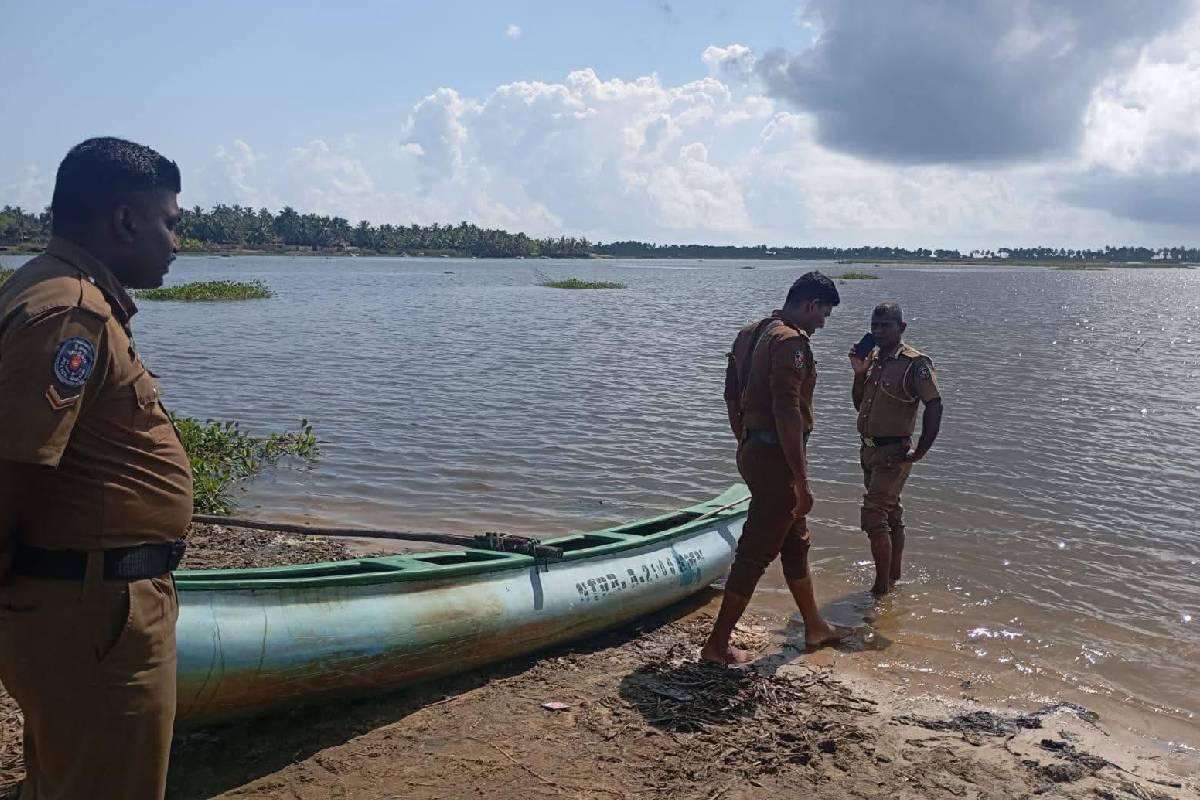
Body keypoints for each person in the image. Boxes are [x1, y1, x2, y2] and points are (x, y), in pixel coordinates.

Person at [0, 137, 191, 799]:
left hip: (83, 606)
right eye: (169, 221)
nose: (176, 240)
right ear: (123, 220)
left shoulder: (52, 286)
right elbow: (15, 468)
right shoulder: (70, 311)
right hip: (95, 614)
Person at [702, 271, 852, 664]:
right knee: (755, 551)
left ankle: (815, 627)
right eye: (824, 315)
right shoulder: (790, 342)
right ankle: (716, 645)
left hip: (756, 449)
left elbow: (729, 393)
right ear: (810, 305)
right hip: (776, 459)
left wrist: (744, 440)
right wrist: (801, 480)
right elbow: (787, 410)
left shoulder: (750, 333)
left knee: (794, 540)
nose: (823, 324)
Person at [848, 302, 943, 596]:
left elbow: (934, 404)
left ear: (901, 328)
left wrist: (922, 449)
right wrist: (859, 373)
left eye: (885, 325)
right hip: (869, 450)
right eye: (874, 325)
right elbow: (859, 404)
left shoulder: (916, 363)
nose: (877, 331)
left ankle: (880, 589)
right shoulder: (874, 359)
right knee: (890, 515)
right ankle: (893, 577)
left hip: (894, 452)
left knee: (874, 517)